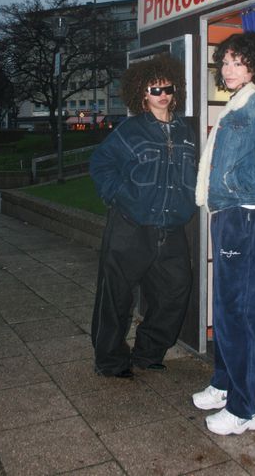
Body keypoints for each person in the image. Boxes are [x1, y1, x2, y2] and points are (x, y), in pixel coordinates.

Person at [193, 32, 255, 435]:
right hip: (231, 214)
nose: (229, 69)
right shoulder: (238, 103)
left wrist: (233, 182)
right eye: (226, 62)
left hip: (245, 214)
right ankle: (226, 382)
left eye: (238, 61)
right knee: (227, 307)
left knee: (243, 310)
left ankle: (250, 407)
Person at [89, 53, 197, 378]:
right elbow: (101, 164)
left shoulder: (187, 132)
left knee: (177, 289)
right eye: (155, 89)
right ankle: (109, 361)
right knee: (116, 297)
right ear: (142, 93)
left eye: (167, 88)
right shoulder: (130, 131)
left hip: (171, 228)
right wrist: (120, 196)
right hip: (131, 227)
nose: (162, 95)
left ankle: (148, 353)